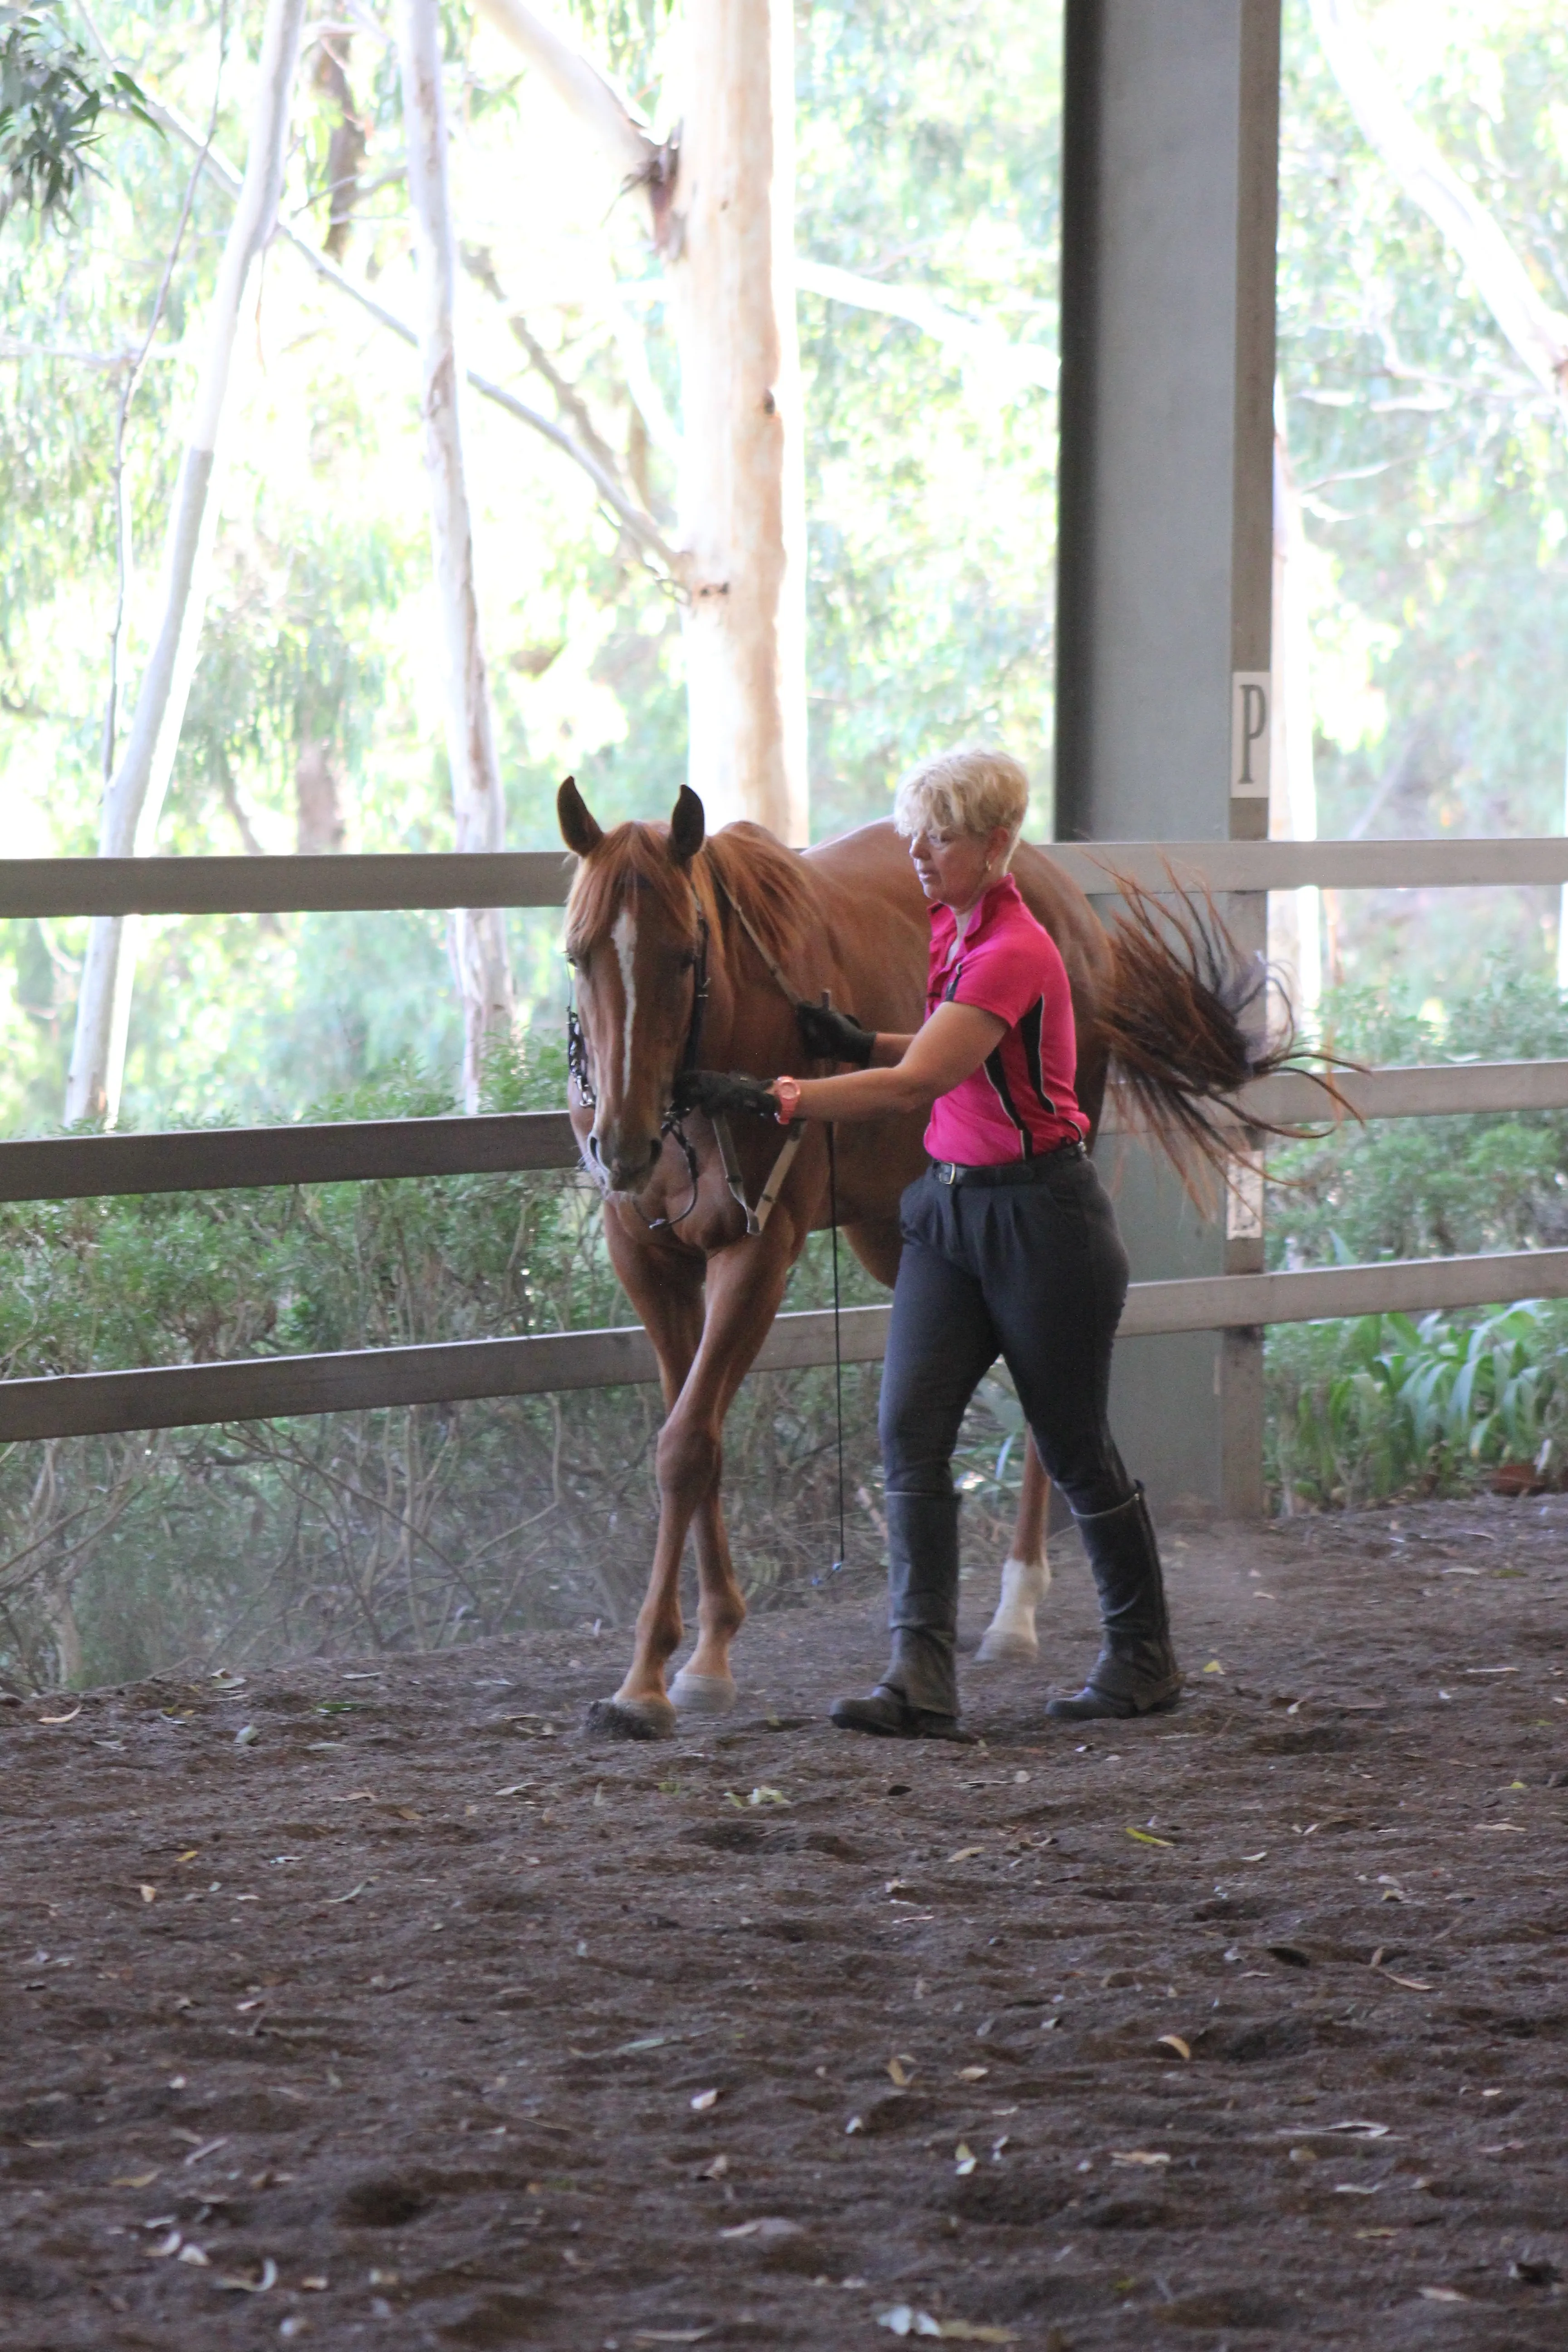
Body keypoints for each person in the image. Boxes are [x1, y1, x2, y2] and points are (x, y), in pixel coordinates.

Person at [681, 747, 1181, 1740]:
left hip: (1041, 1223)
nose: (916, 851)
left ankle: (1143, 1655)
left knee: (1076, 1448)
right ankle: (921, 1674)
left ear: (997, 846)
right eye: (914, 829)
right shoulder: (953, 932)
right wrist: (856, 1038)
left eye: (940, 836)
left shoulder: (1015, 950)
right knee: (909, 1432)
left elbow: (919, 1086)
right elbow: (935, 1047)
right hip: (946, 1212)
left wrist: (783, 1094)